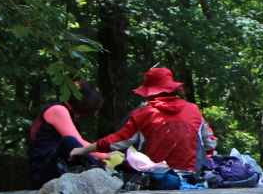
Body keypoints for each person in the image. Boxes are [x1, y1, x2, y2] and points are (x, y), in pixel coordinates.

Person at [71, 67, 216, 173]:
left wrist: (83, 150)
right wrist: (208, 157)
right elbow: (210, 142)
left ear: (148, 93)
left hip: (157, 177)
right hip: (192, 176)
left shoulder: (142, 114)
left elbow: (116, 141)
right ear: (174, 89)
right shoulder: (193, 110)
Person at [27, 81, 105, 189]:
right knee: (69, 141)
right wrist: (107, 155)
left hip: (59, 170)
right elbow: (79, 145)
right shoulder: (58, 110)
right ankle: (105, 176)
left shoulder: (71, 118)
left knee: (77, 150)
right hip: (42, 175)